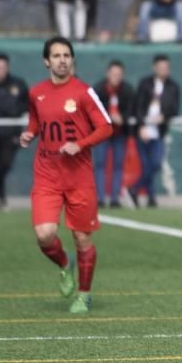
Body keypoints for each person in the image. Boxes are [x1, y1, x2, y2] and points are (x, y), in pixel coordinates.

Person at [19, 36, 113, 313]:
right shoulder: (36, 92)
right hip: (47, 175)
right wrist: (30, 133)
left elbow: (106, 127)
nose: (62, 60)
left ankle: (84, 295)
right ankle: (63, 264)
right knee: (44, 235)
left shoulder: (84, 92)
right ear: (46, 61)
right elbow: (37, 120)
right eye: (56, 56)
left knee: (82, 238)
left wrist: (80, 144)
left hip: (79, 178)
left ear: (72, 60)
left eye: (67, 56)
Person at [130, 54, 180, 208]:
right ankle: (151, 198)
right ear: (155, 68)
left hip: (159, 131)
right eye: (160, 67)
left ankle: (135, 188)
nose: (164, 70)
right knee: (145, 165)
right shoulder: (145, 84)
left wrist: (164, 116)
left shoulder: (173, 86)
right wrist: (141, 126)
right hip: (144, 130)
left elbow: (174, 108)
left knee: (156, 163)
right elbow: (138, 106)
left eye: (166, 67)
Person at [0, 53, 28, 210]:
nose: (1, 70)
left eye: (4, 67)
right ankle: (2, 199)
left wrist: (15, 112)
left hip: (11, 133)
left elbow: (26, 104)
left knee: (5, 164)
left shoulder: (18, 84)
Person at [92, 61, 135, 208]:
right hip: (102, 133)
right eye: (113, 74)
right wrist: (109, 116)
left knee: (118, 165)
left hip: (120, 133)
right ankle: (100, 198)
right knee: (100, 165)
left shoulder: (127, 90)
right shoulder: (98, 89)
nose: (116, 77)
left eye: (118, 74)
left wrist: (122, 117)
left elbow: (131, 108)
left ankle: (115, 198)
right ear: (107, 74)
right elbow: (92, 109)